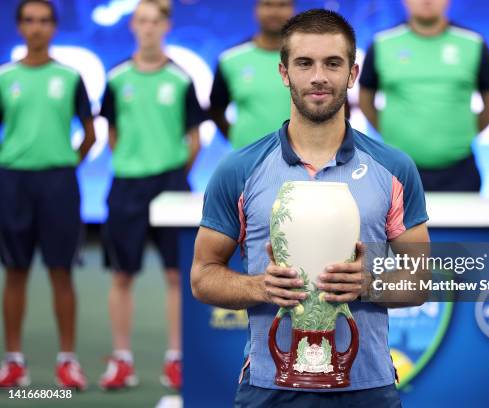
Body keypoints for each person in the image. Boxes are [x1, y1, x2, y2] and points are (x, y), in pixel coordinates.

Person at [191, 9, 429, 406]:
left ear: (352, 74)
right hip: (270, 388)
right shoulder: (239, 170)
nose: (319, 76)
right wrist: (258, 286)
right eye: (305, 63)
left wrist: (369, 285)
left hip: (367, 388)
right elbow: (202, 277)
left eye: (332, 63)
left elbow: (420, 279)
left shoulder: (395, 169)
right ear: (284, 73)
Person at [98, 0, 204, 391]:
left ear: (165, 26)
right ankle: (122, 360)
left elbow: (194, 138)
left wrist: (173, 172)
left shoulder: (180, 80)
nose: (147, 28)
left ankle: (176, 359)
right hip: (126, 186)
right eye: (141, 21)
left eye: (154, 21)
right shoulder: (116, 78)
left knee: (177, 275)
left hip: (172, 185)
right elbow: (111, 134)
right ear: (132, 26)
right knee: (122, 274)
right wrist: (133, 163)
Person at [0, 0, 96, 389]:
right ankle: (14, 362)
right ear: (19, 27)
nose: (36, 28)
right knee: (15, 272)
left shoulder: (70, 77)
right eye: (29, 21)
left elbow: (89, 133)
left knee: (61, 271)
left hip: (59, 183)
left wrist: (63, 162)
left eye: (44, 21)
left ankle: (67, 361)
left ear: (54, 27)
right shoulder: (5, 77)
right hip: (13, 183)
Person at [358, 0, 489, 192]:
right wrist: (394, 134)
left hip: (460, 172)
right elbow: (365, 101)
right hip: (396, 171)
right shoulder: (382, 43)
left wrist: (459, 135)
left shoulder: (473, 43)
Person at [209, 0, 293, 149]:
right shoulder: (230, 59)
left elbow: (336, 110)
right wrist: (242, 143)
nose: (274, 12)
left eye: (282, 5)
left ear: (293, 10)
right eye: (268, 4)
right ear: (256, 9)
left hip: (301, 166)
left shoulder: (312, 59)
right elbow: (216, 110)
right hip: (247, 166)